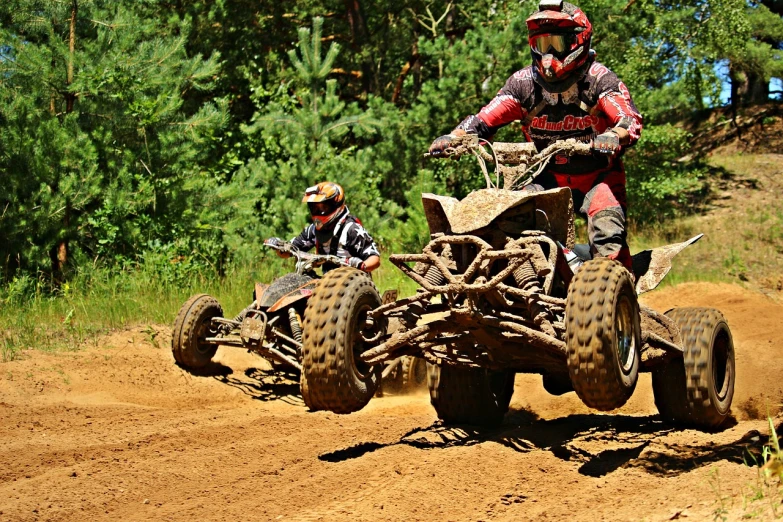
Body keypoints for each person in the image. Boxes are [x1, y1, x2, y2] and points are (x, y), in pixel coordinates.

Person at [428, 0, 643, 271]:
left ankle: (623, 298)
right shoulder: (522, 84)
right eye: (542, 45)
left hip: (598, 178)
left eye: (557, 44)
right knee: (506, 224)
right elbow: (483, 121)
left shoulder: (599, 79)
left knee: (608, 240)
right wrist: (455, 137)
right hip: (545, 178)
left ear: (579, 41)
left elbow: (628, 119)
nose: (548, 54)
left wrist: (614, 134)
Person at [268, 182, 381, 273]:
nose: (319, 212)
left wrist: (361, 265)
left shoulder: (351, 229)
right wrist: (279, 247)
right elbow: (290, 251)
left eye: (324, 207)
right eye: (315, 208)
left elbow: (375, 259)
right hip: (328, 284)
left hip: (355, 285)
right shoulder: (313, 230)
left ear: (336, 204)